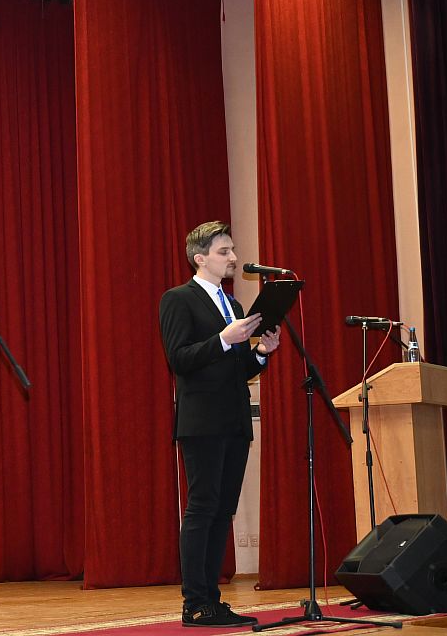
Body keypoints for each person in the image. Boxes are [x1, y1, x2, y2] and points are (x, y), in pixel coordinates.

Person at [159, 221, 280, 628]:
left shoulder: (235, 306)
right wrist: (225, 339)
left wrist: (261, 352)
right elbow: (179, 358)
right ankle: (195, 603)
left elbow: (238, 368)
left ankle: (212, 600)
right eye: (224, 251)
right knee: (203, 507)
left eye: (232, 250)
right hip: (202, 420)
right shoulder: (178, 299)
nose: (233, 258)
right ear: (200, 258)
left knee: (222, 510)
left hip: (233, 419)